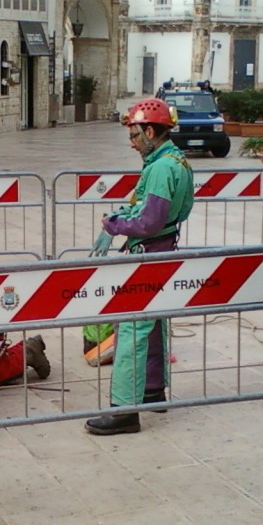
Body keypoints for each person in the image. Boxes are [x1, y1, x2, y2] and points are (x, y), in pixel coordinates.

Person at [84, 98, 194, 436]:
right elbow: (144, 206)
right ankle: (152, 391)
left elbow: (148, 220)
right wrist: (118, 220)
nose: (132, 143)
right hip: (163, 249)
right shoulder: (174, 160)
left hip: (148, 252)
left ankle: (124, 411)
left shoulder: (161, 168)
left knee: (131, 328)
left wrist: (113, 227)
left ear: (150, 131)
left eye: (134, 135)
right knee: (155, 325)